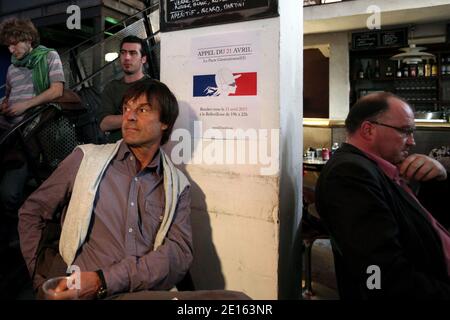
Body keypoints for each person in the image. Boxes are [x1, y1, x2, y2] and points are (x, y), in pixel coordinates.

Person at [18, 79, 250, 300]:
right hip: (75, 289)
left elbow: (178, 254)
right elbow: (32, 212)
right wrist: (40, 282)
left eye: (142, 110)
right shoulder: (86, 159)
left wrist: (103, 281)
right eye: (127, 108)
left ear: (165, 122)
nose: (128, 116)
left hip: (135, 291)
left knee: (237, 301)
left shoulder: (177, 185)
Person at [315, 92, 450, 299]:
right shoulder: (349, 174)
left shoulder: (378, 169)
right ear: (368, 130)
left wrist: (439, 177)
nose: (412, 142)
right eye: (405, 131)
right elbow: (380, 275)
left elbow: (421, 223)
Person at [0, 18, 64, 248]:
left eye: (14, 43)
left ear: (27, 39)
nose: (10, 49)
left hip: (33, 131)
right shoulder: (12, 67)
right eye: (8, 45)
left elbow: (57, 90)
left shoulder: (48, 57)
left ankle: (19, 233)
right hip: (8, 127)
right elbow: (8, 97)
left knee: (9, 193)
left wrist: (25, 106)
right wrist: (4, 105)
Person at [97, 35, 150, 143]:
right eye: (123, 52)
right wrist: (137, 116)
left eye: (133, 53)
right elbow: (104, 124)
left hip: (144, 148)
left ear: (143, 59)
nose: (127, 57)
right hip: (115, 151)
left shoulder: (153, 87)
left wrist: (119, 118)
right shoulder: (112, 87)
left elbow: (153, 119)